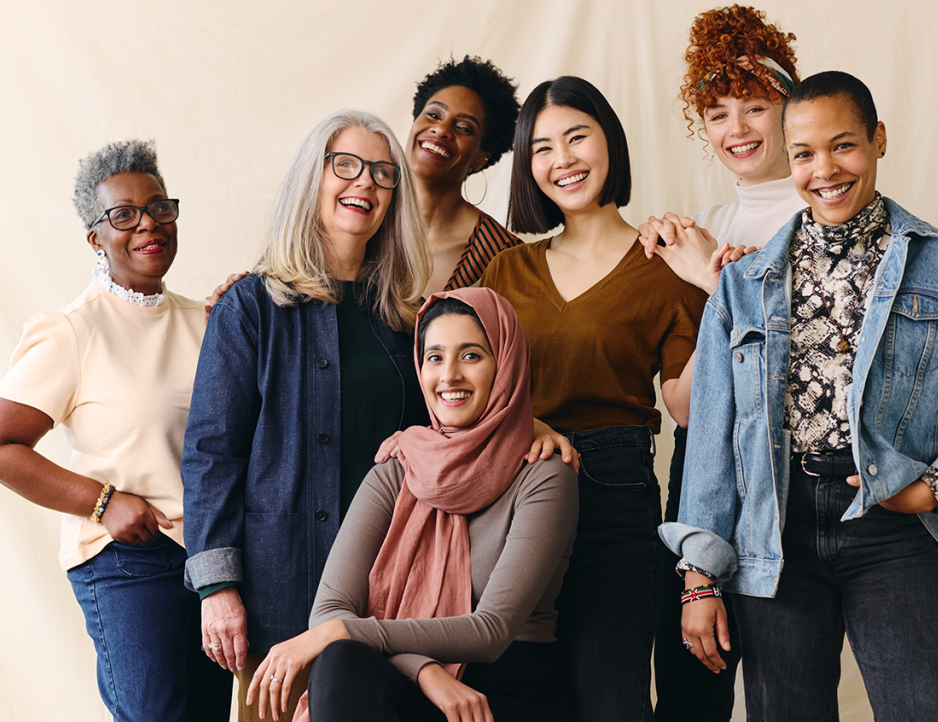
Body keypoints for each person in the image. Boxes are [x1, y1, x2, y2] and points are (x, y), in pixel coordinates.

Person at [660, 71, 938, 721]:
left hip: (896, 530)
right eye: (803, 154)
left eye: (843, 145)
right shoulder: (744, 283)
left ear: (878, 140)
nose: (824, 169)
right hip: (777, 533)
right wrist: (698, 577)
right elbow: (713, 435)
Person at [181, 109, 432, 721]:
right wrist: (218, 588)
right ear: (311, 179)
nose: (364, 184)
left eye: (382, 173)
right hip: (280, 583)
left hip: (390, 585)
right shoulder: (252, 306)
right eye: (344, 165)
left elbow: (446, 435)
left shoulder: (411, 318)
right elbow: (212, 452)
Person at [480, 76, 706, 722]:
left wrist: (720, 297)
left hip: (617, 498)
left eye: (577, 136)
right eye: (542, 148)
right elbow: (470, 394)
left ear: (610, 141)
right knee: (521, 701)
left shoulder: (666, 264)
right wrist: (530, 423)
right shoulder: (506, 272)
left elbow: (684, 406)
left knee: (612, 701)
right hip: (513, 496)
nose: (563, 159)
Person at [243, 287, 578, 722]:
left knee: (340, 644)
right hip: (411, 682)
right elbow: (330, 610)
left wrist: (344, 630)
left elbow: (491, 630)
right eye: (434, 357)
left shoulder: (545, 473)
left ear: (506, 364)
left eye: (472, 355)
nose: (450, 375)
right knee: (340, 662)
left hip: (508, 686)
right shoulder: (396, 467)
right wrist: (424, 671)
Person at [0, 139, 232, 721]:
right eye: (123, 214)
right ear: (95, 238)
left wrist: (248, 310)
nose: (147, 223)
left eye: (159, 207)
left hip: (209, 559)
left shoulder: (208, 320)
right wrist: (102, 503)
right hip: (128, 559)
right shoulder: (72, 330)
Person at [635, 6, 805, 719]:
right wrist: (683, 262)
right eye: (717, 112)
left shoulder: (824, 209)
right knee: (687, 691)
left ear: (790, 108)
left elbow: (809, 368)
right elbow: (683, 404)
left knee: (783, 690)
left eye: (755, 107)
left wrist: (716, 283)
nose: (736, 129)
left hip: (788, 483)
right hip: (703, 478)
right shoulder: (708, 222)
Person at [407, 55, 523, 296]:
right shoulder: (366, 220)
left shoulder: (503, 256)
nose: (441, 129)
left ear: (481, 158)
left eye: (464, 128)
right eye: (434, 115)